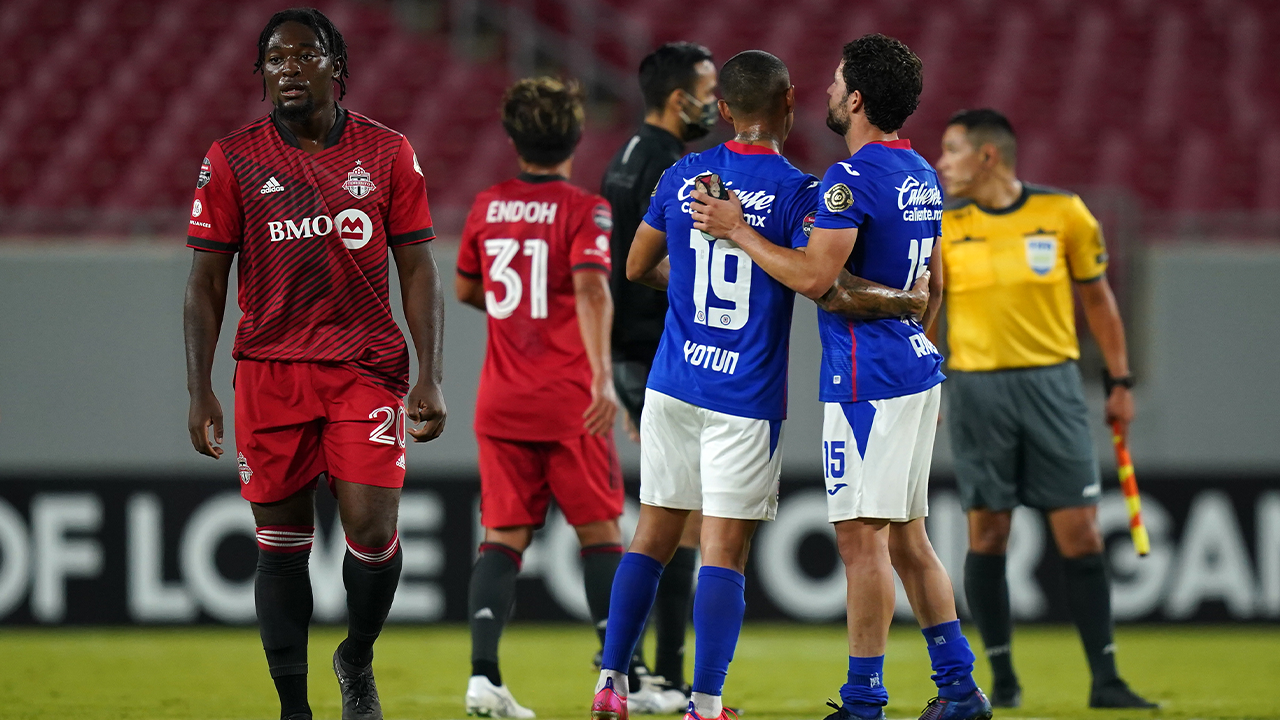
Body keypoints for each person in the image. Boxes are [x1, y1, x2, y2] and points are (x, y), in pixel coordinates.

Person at [591, 49, 928, 720]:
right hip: (743, 394)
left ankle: (609, 682)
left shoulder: (685, 173)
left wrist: (688, 284)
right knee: (724, 549)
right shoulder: (803, 192)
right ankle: (707, 704)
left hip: (673, 381)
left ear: (722, 111)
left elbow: (633, 266)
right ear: (788, 104)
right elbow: (824, 281)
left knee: (652, 532)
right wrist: (902, 302)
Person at [691, 35, 991, 720]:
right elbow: (934, 284)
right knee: (911, 540)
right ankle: (960, 690)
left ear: (855, 98)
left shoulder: (848, 180)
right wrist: (921, 342)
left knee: (863, 543)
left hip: (867, 382)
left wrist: (738, 230)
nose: (824, 91)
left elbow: (815, 278)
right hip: (914, 372)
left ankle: (863, 702)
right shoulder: (919, 171)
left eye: (834, 82)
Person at [183, 9, 446, 720]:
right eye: (274, 59)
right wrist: (200, 389)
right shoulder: (232, 158)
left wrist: (430, 372)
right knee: (281, 545)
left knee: (369, 527)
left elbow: (419, 269)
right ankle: (293, 708)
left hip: (364, 366)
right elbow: (205, 284)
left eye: (304, 56)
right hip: (268, 371)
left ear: (338, 66)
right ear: (261, 75)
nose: (288, 68)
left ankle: (356, 655)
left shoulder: (387, 153)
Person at [934, 108, 1156, 709]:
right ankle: (1002, 679)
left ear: (987, 156)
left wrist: (1120, 381)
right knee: (989, 530)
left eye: (951, 150)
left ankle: (1106, 680)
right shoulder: (944, 228)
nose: (940, 162)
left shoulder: (1064, 214)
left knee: (1080, 533)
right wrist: (927, 383)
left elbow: (1101, 303)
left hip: (1053, 386)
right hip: (977, 388)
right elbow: (931, 310)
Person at [455, 77, 623, 719]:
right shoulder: (585, 209)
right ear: (576, 138)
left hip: (500, 398)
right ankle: (617, 676)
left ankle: (483, 676)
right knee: (601, 532)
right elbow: (592, 290)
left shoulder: (487, 204)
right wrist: (602, 377)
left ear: (512, 138)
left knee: (502, 537)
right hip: (568, 398)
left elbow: (469, 288)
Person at [599, 42, 718, 713]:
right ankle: (660, 677)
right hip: (659, 352)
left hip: (635, 354)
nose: (714, 102)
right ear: (681, 98)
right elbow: (649, 267)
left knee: (672, 515)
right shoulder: (671, 166)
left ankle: (644, 671)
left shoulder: (625, 157)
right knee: (681, 519)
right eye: (707, 88)